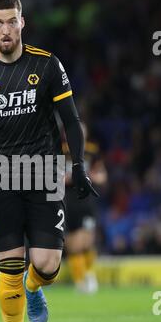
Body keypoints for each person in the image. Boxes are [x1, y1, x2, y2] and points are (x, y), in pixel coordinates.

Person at [0, 0, 98, 322]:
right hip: (0, 175)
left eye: (12, 21)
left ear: (23, 22)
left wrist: (79, 165)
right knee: (9, 265)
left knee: (49, 264)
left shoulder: (48, 65)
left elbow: (70, 119)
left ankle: (34, 288)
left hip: (44, 172)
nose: (6, 29)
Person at [63, 123, 107, 293]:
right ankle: (80, 281)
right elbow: (54, 177)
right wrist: (70, 178)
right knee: (73, 244)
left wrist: (90, 177)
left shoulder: (92, 151)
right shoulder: (61, 150)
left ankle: (89, 275)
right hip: (68, 201)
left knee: (86, 241)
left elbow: (102, 176)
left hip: (87, 201)